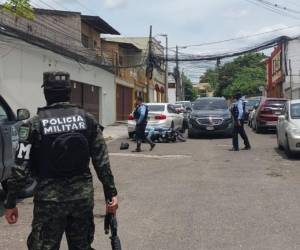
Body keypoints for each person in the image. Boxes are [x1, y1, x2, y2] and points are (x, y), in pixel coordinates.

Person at [4, 71, 118, 250]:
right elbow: (102, 161)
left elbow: (20, 168)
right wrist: (111, 195)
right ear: (68, 92)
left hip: (49, 203)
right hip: (82, 199)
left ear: (46, 93)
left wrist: (10, 203)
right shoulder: (87, 119)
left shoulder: (33, 125)